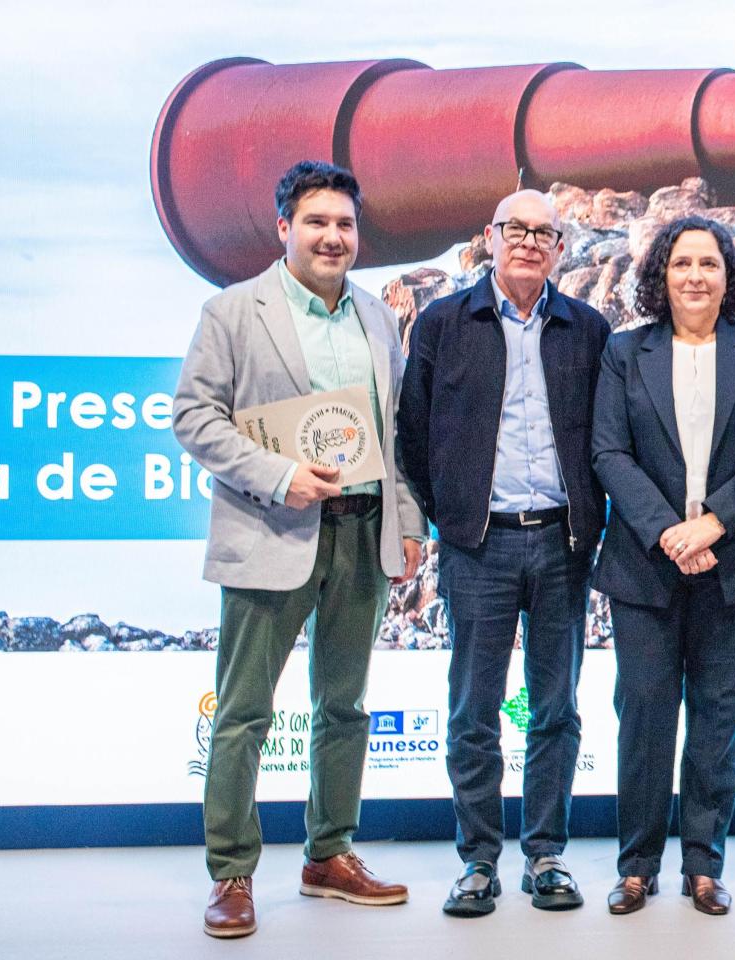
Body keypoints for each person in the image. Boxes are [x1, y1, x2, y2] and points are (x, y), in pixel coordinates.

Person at [172, 160, 426, 939]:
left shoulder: (378, 321)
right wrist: (278, 474)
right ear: (284, 228)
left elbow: (396, 435)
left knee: (344, 706)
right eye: (317, 222)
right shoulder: (232, 312)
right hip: (271, 530)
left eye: (345, 224)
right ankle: (232, 872)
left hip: (363, 532)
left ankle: (329, 855)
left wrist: (410, 523)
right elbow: (193, 417)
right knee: (244, 713)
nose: (333, 236)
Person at [396, 190, 611, 917]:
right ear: (489, 238)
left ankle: (546, 854)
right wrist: (449, 514)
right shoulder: (442, 323)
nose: (527, 242)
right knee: (473, 709)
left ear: (560, 248)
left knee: (556, 708)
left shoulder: (588, 328)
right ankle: (479, 860)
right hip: (477, 546)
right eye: (513, 229)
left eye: (542, 233)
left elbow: (607, 438)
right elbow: (413, 436)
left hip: (562, 541)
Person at [591, 216, 735, 916]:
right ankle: (636, 864)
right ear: (661, 275)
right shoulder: (625, 353)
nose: (695, 276)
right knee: (644, 714)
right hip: (646, 566)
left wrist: (712, 523)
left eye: (709, 264)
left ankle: (704, 864)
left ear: (728, 276)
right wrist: (669, 533)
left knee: (718, 716)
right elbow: (609, 453)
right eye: (681, 264)